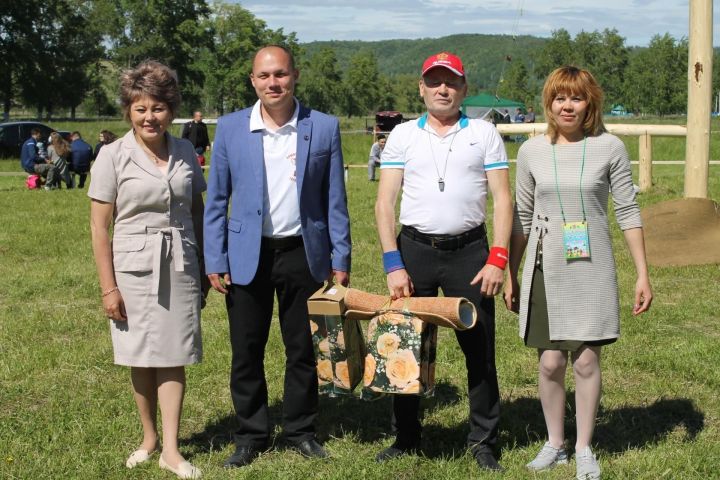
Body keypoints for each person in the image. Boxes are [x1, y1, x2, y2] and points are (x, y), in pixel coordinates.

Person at [203, 45, 351, 468]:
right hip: (247, 256)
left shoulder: (322, 127)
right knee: (246, 350)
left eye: (281, 74)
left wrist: (340, 256)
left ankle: (302, 430)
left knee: (302, 349)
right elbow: (216, 200)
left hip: (303, 254)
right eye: (264, 76)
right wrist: (216, 257)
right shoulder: (232, 128)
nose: (273, 83)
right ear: (252, 80)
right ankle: (251, 434)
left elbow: (334, 200)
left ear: (295, 76)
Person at [504, 66, 653, 480]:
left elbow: (627, 210)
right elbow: (522, 217)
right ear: (548, 103)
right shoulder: (532, 151)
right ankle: (556, 443)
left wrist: (642, 273)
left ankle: (585, 446)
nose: (566, 106)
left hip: (591, 266)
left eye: (576, 98)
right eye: (558, 98)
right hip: (545, 264)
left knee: (586, 361)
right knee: (551, 361)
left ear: (590, 103)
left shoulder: (610, 148)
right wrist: (511, 272)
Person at [374, 51, 512, 472]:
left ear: (463, 88)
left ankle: (483, 439)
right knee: (405, 345)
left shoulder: (485, 133)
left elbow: (503, 199)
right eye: (434, 81)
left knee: (479, 349)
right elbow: (384, 203)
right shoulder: (401, 136)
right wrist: (393, 262)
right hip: (414, 250)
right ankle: (407, 436)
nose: (442, 88)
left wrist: (498, 258)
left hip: (471, 253)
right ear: (422, 88)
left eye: (450, 81)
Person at [88, 61, 208, 480]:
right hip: (132, 271)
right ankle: (149, 439)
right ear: (128, 112)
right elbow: (99, 227)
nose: (149, 117)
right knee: (140, 354)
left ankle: (172, 450)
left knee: (173, 354)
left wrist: (205, 267)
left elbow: (197, 211)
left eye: (157, 108)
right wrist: (108, 288)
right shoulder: (111, 155)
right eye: (140, 109)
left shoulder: (187, 152)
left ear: (170, 109)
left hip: (181, 265)